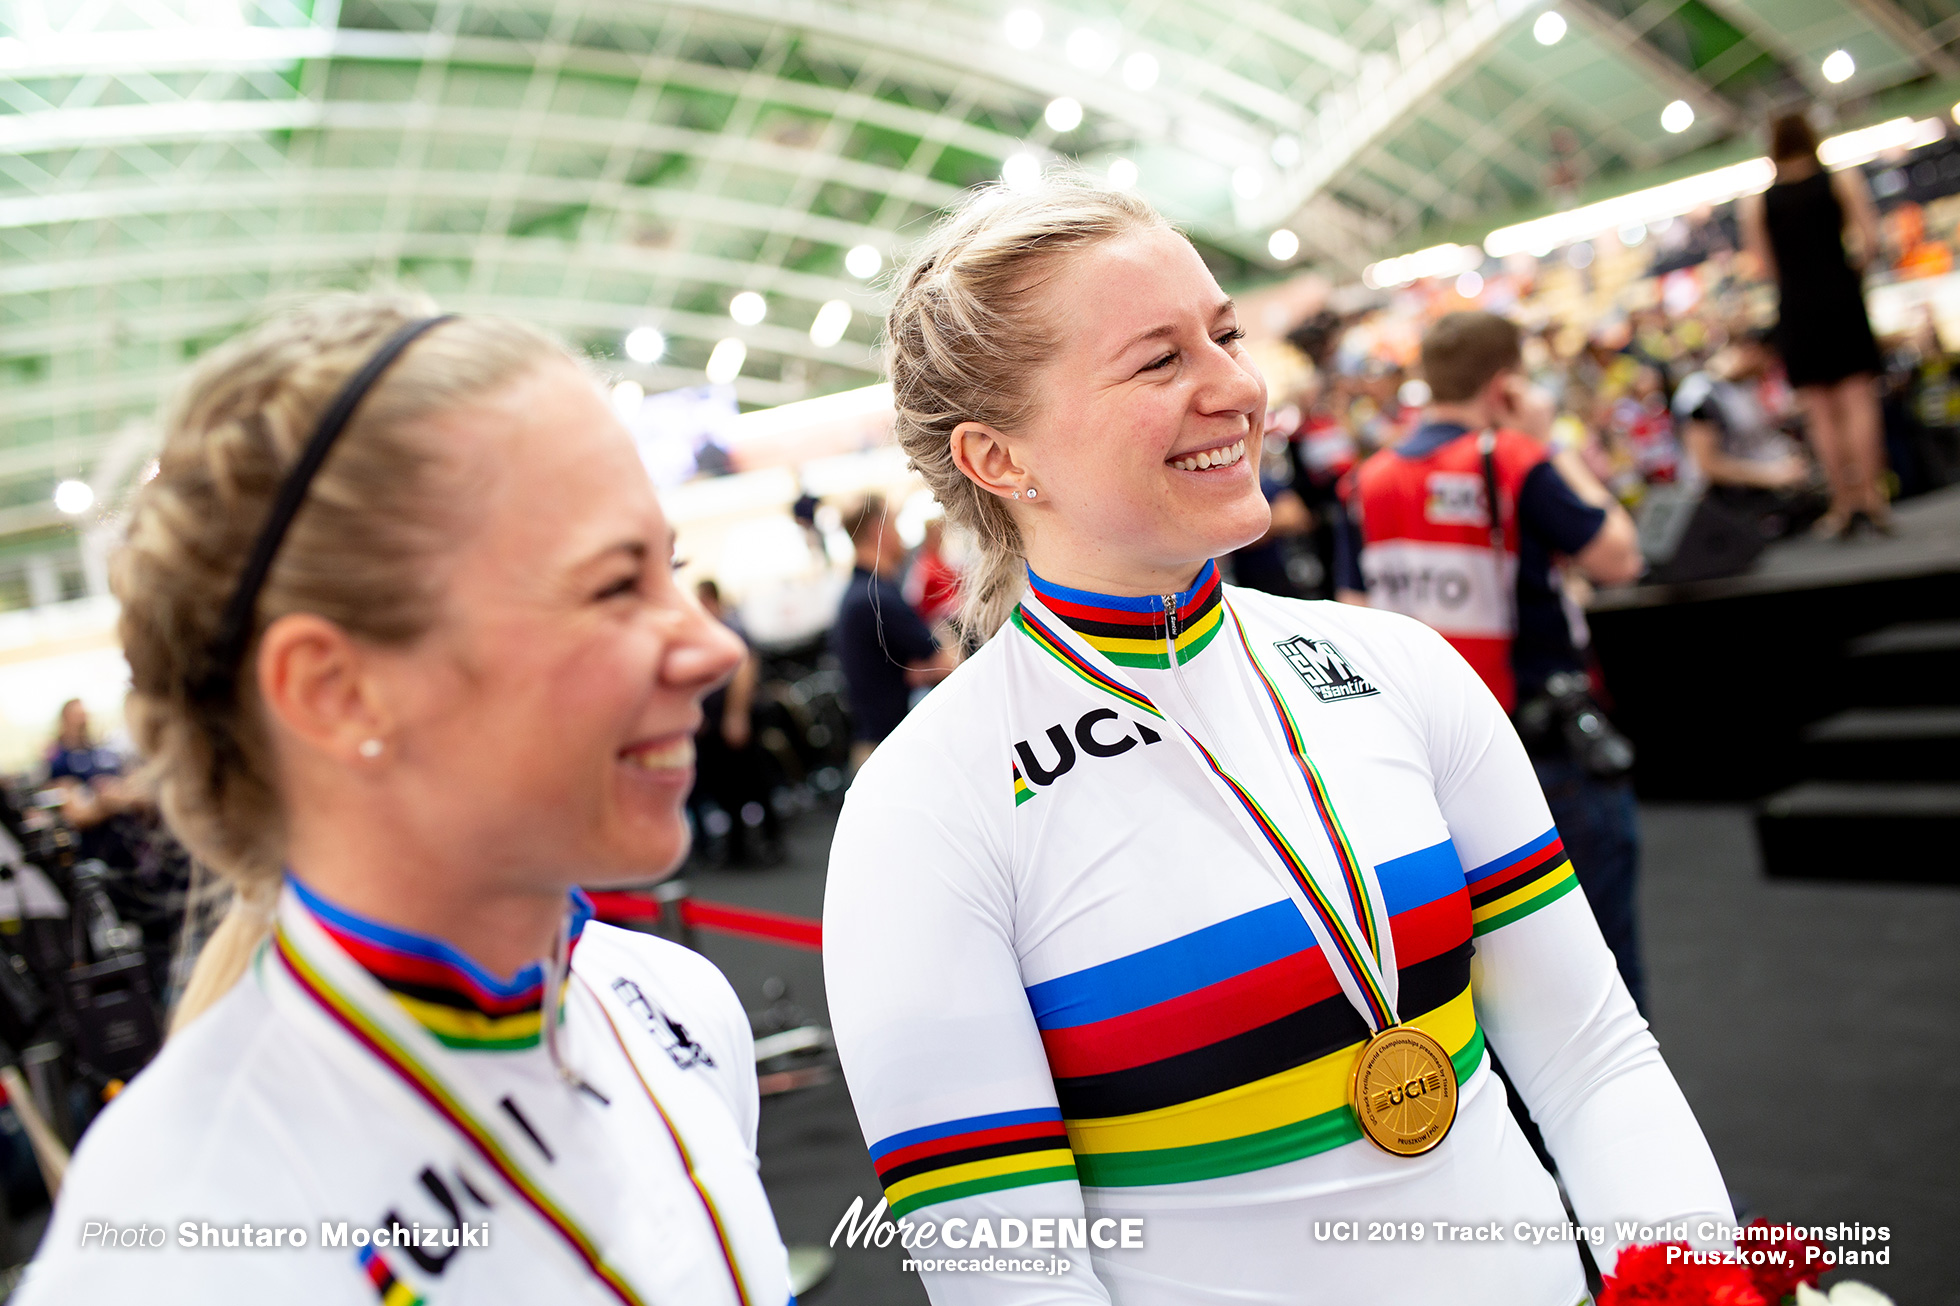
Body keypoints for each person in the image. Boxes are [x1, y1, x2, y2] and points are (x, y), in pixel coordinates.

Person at [824, 178, 1729, 1306]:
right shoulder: (926, 807)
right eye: (1159, 362)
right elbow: (1018, 1278)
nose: (1238, 388)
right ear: (998, 459)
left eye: (1225, 334)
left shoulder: (1401, 670)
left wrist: (1694, 1284)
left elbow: (1591, 1057)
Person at [14, 297, 792, 1305]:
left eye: (672, 569)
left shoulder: (669, 1007)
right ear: (337, 692)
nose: (713, 647)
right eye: (613, 585)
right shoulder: (175, 1249)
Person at [1340, 311, 1651, 1016]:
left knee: (1499, 989)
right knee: (1601, 979)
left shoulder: (1369, 481)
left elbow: (1352, 616)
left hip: (1431, 765)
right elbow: (1621, 559)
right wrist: (1548, 445)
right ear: (1507, 385)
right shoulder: (1514, 458)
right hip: (1545, 748)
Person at [1739, 110, 1890, 537]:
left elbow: (1764, 266)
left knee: (1819, 410)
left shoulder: (1759, 202)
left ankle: (1842, 503)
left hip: (1797, 306)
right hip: (1841, 296)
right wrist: (1848, 273)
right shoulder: (1838, 180)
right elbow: (1871, 241)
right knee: (1858, 398)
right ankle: (1872, 497)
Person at [831, 495, 954, 770]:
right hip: (891, 753)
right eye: (895, 526)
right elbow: (948, 663)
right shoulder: (875, 599)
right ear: (879, 530)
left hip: (882, 745)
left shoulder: (861, 594)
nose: (900, 537)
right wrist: (926, 665)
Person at [1673, 329, 1817, 538]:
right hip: (1723, 502)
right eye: (1769, 359)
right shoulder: (1700, 396)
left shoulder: (1745, 386)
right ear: (1752, 351)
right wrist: (1771, 475)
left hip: (1761, 490)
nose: (1770, 368)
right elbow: (1707, 465)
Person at [692, 580, 781, 864]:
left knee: (752, 782)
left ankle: (769, 841)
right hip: (716, 725)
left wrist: (736, 716)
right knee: (728, 787)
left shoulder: (730, 628)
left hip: (734, 721)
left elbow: (745, 669)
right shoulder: (707, 632)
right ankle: (739, 846)